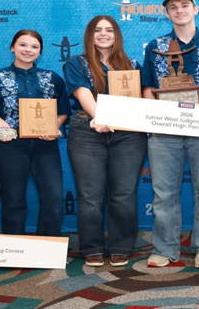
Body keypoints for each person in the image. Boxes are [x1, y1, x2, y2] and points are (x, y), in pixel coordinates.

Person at [141, 0, 199, 269]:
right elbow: (147, 86)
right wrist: (154, 118)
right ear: (166, 13)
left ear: (196, 9)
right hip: (165, 130)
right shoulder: (155, 46)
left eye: (184, 5)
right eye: (173, 7)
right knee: (163, 193)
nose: (179, 10)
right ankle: (164, 247)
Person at [62, 16, 147, 267]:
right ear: (89, 35)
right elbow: (83, 94)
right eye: (97, 30)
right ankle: (92, 247)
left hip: (128, 133)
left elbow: (143, 98)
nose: (103, 34)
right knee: (90, 194)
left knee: (124, 193)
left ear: (117, 35)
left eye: (109, 30)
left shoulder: (133, 65)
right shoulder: (76, 63)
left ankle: (122, 245)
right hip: (87, 130)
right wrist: (99, 118)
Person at [0, 30, 71, 237]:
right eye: (23, 45)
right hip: (9, 144)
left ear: (40, 51)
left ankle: (49, 244)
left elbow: (63, 111)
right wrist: (1, 124)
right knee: (13, 198)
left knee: (54, 196)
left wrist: (53, 127)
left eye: (34, 47)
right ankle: (15, 246)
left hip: (45, 144)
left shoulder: (52, 78)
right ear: (12, 47)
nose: (28, 50)